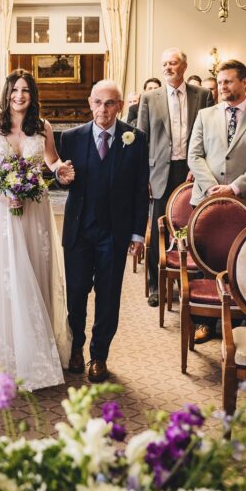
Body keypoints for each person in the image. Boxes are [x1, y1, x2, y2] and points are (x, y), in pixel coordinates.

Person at [0, 69, 74, 390]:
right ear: (6, 94)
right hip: (1, 210)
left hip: (35, 211)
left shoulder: (43, 127)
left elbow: (50, 160)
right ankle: (1, 351)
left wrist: (59, 168)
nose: (19, 95)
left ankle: (36, 349)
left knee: (34, 273)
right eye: (15, 90)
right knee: (3, 276)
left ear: (32, 95)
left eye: (25, 90)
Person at [60, 80, 150, 382]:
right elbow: (56, 181)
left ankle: (99, 356)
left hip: (115, 232)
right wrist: (61, 178)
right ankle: (75, 347)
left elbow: (140, 189)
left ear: (120, 106)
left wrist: (138, 233)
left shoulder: (136, 138)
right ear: (90, 103)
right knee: (76, 294)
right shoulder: (71, 138)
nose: (103, 110)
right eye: (98, 102)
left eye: (110, 103)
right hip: (78, 230)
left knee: (108, 297)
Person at [187, 59, 246, 342]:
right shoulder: (205, 115)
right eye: (220, 82)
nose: (222, 87)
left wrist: (234, 188)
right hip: (206, 199)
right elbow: (195, 155)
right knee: (205, 258)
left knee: (242, 260)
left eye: (228, 81)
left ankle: (240, 319)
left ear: (244, 82)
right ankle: (203, 322)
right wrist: (215, 187)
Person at [137, 48, 213, 308]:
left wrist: (199, 166)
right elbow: (141, 138)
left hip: (191, 170)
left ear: (184, 66)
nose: (168, 68)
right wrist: (143, 175)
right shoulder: (149, 97)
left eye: (172, 63)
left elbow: (208, 136)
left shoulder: (202, 95)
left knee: (192, 226)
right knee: (159, 226)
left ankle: (187, 280)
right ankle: (155, 284)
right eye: (164, 64)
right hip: (159, 171)